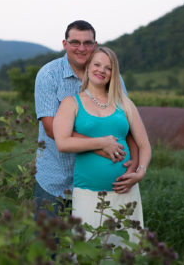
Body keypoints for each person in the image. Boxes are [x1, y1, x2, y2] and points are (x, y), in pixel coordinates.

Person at [34, 20, 139, 216]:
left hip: (102, 187)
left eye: (87, 43)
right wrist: (102, 146)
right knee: (48, 243)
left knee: (96, 244)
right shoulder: (48, 75)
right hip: (56, 181)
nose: (81, 48)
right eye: (75, 42)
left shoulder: (110, 76)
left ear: (95, 45)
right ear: (65, 44)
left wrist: (135, 162)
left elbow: (125, 123)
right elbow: (51, 128)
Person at [53, 47, 151, 244]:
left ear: (113, 73)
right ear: (88, 67)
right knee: (89, 249)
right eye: (97, 64)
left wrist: (140, 172)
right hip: (88, 194)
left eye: (108, 68)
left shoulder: (124, 103)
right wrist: (101, 142)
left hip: (126, 193)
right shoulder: (71, 103)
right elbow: (62, 142)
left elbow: (144, 145)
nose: (101, 70)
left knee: (125, 251)